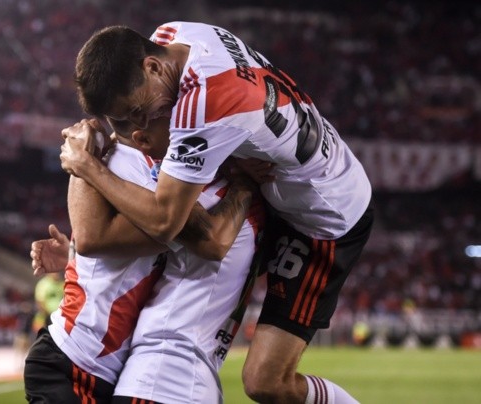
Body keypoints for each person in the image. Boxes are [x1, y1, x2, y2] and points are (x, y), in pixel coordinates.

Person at [61, 22, 374, 404]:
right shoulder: (176, 35)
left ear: (154, 68)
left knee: (266, 382)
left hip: (323, 215)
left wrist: (86, 166)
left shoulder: (206, 103)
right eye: (126, 119)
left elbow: (164, 222)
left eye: (139, 111)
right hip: (283, 189)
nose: (140, 126)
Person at [25, 118, 262, 403]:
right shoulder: (132, 165)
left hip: (102, 366)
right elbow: (207, 239)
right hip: (75, 359)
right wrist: (245, 185)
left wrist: (74, 256)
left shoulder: (166, 182)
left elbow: (111, 245)